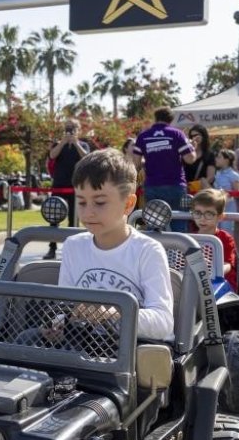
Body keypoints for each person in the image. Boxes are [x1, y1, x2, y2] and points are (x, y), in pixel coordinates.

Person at [57, 148, 175, 342]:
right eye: (82, 202)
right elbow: (63, 306)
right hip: (82, 344)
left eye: (100, 202)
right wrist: (57, 325)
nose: (88, 213)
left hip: (133, 349)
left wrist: (113, 313)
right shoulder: (73, 246)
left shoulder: (147, 251)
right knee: (25, 339)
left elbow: (163, 323)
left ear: (128, 204)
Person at [131, 107, 196, 227]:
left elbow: (136, 163)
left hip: (152, 186)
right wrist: (193, 147)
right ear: (171, 120)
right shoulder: (177, 134)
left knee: (154, 225)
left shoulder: (143, 136)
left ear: (155, 118)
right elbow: (190, 159)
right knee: (178, 223)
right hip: (175, 185)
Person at [47, 119, 91, 258]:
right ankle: (52, 248)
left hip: (75, 186)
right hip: (59, 185)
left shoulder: (83, 144)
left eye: (72, 128)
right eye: (67, 128)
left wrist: (76, 143)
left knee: (73, 219)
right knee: (54, 217)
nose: (70, 131)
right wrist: (62, 142)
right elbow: (52, 155)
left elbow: (87, 157)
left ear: (78, 130)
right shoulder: (58, 144)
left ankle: (71, 249)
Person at [191, 188, 238, 293]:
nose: (202, 218)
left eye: (209, 214)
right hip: (194, 282)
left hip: (220, 283)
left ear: (220, 217)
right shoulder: (190, 238)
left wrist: (212, 270)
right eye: (198, 213)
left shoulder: (225, 238)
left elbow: (228, 265)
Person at [183, 124, 217, 193]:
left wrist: (195, 185)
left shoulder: (209, 154)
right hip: (185, 189)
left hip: (201, 191)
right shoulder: (186, 153)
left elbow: (210, 177)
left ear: (203, 136)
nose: (194, 138)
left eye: (196, 135)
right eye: (191, 136)